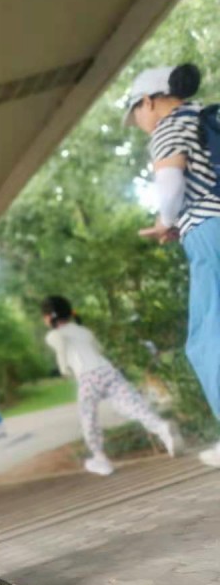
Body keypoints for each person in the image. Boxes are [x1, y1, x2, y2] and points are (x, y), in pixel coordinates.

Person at [125, 63, 220, 468]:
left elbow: (171, 187)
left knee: (207, 337)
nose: (138, 123)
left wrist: (166, 221)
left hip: (210, 234)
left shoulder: (169, 127)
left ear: (149, 102)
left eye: (135, 113)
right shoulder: (208, 116)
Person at [41, 296, 181, 476]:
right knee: (132, 404)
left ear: (48, 317)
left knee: (88, 417)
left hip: (87, 377)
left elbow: (61, 348)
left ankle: (99, 457)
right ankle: (161, 428)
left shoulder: (54, 335)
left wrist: (63, 369)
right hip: (107, 370)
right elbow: (98, 349)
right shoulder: (84, 331)